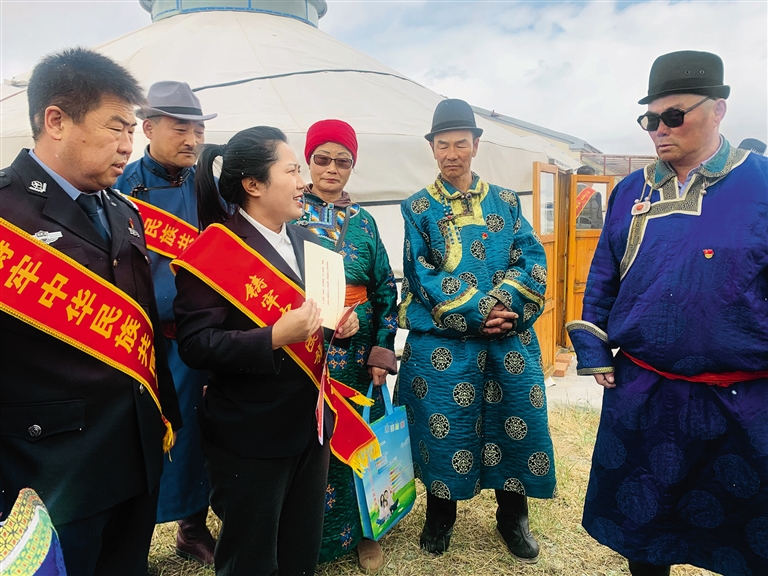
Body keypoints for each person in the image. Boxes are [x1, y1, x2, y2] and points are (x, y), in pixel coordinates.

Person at [567, 50, 768, 575]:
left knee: (746, 531)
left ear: (718, 109)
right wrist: (593, 346)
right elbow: (605, 271)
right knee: (643, 526)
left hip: (742, 397)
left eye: (674, 115)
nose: (659, 129)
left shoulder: (763, 185)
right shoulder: (631, 190)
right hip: (646, 391)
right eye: (650, 118)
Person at [0, 47, 182, 576]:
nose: (128, 145)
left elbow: (144, 328)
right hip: (46, 470)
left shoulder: (123, 211)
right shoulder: (7, 211)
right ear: (56, 120)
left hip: (134, 456)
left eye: (132, 130)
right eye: (116, 128)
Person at [172, 126, 372, 575]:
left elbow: (320, 319)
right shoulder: (213, 251)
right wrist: (272, 337)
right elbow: (196, 345)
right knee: (252, 557)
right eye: (292, 171)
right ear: (254, 184)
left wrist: (341, 325)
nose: (304, 182)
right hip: (251, 434)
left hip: (310, 425)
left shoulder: (306, 240)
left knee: (301, 550)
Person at [395, 99, 556, 563]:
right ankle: (440, 516)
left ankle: (513, 517)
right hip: (447, 344)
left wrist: (506, 305)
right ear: (432, 148)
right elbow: (421, 274)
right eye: (443, 145)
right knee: (443, 428)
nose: (452, 154)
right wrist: (479, 311)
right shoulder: (417, 207)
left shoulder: (506, 200)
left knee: (516, 425)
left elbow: (530, 257)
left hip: (509, 338)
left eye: (461, 144)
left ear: (476, 145)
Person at [115, 81, 217, 565]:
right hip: (138, 341)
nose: (192, 141)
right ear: (148, 128)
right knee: (136, 440)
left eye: (198, 131)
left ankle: (192, 529)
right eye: (181, 129)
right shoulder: (119, 184)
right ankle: (131, 543)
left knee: (196, 434)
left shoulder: (207, 185)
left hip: (196, 337)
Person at [296, 119, 398, 572]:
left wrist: (381, 350)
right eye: (323, 159)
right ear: (308, 161)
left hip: (355, 359)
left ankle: (364, 531)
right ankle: (306, 539)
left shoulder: (365, 223)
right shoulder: (287, 210)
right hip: (302, 353)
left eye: (343, 161)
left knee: (358, 440)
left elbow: (385, 289)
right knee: (307, 445)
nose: (332, 169)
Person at [575, 165, 604, 230]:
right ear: (592, 177)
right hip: (587, 231)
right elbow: (597, 219)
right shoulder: (595, 194)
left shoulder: (567, 189)